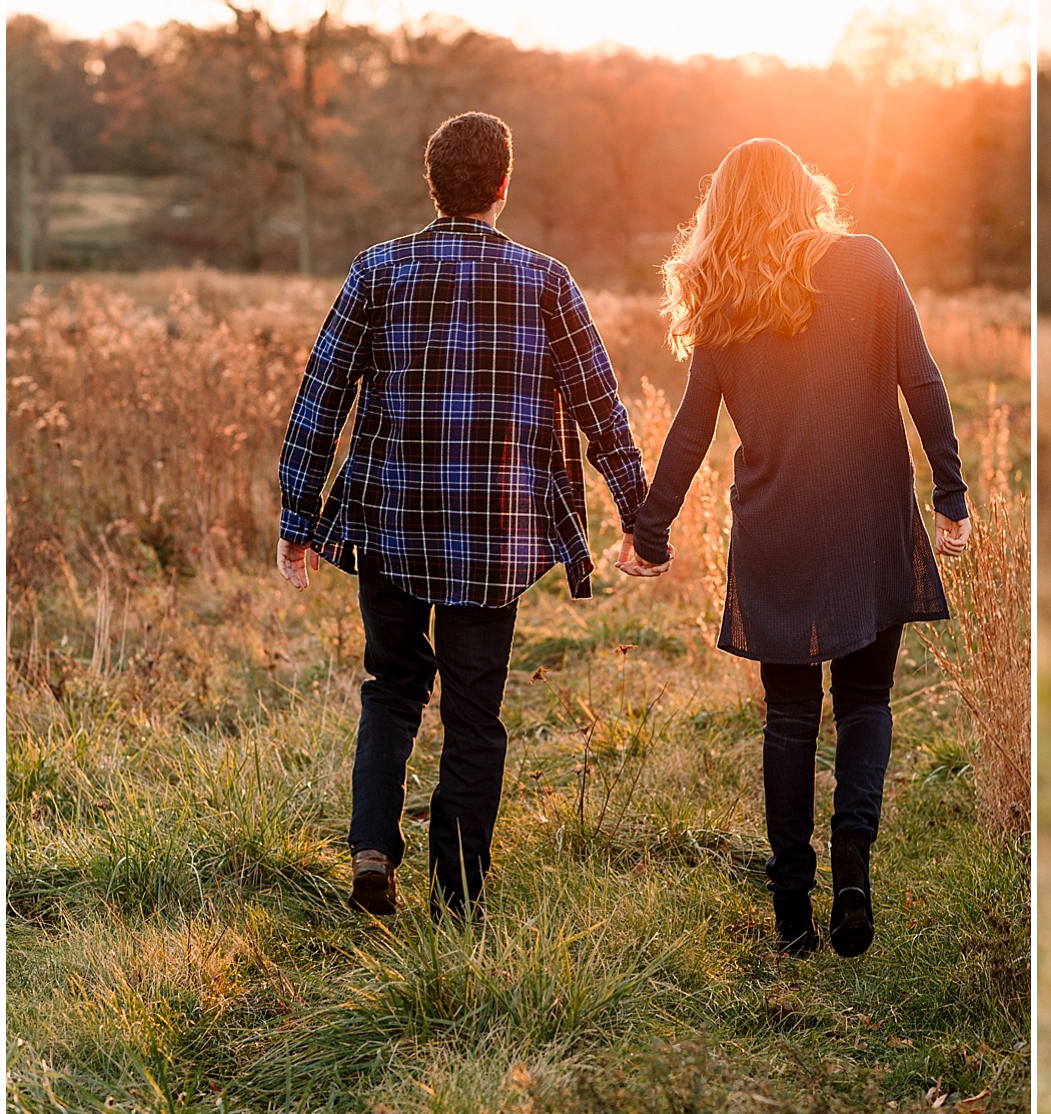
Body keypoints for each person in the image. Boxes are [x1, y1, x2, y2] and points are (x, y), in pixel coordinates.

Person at [276, 111, 648, 921]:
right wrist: (637, 515)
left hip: (389, 526)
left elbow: (321, 399)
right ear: (503, 186)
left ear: (432, 183)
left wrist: (297, 518)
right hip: (495, 536)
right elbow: (600, 407)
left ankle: (373, 846)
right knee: (475, 713)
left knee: (392, 686)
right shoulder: (547, 281)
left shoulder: (378, 271)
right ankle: (458, 898)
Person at [623, 137, 971, 959]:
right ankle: (853, 858)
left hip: (775, 527)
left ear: (725, 212)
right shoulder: (868, 261)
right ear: (802, 189)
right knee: (866, 702)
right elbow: (921, 379)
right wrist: (949, 495)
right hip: (867, 519)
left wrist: (650, 528)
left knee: (788, 717)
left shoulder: (725, 295)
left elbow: (691, 428)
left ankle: (792, 913)